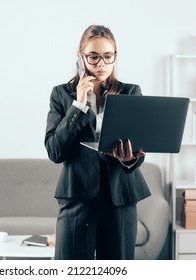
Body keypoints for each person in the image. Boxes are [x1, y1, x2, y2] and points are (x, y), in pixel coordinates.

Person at [44, 25, 151, 260]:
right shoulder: (62, 95)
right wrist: (78, 105)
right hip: (77, 196)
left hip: (119, 197)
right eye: (93, 57)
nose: (101, 64)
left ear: (115, 57)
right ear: (80, 58)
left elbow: (139, 149)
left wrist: (128, 159)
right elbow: (54, 151)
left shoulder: (131, 92)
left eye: (107, 56)